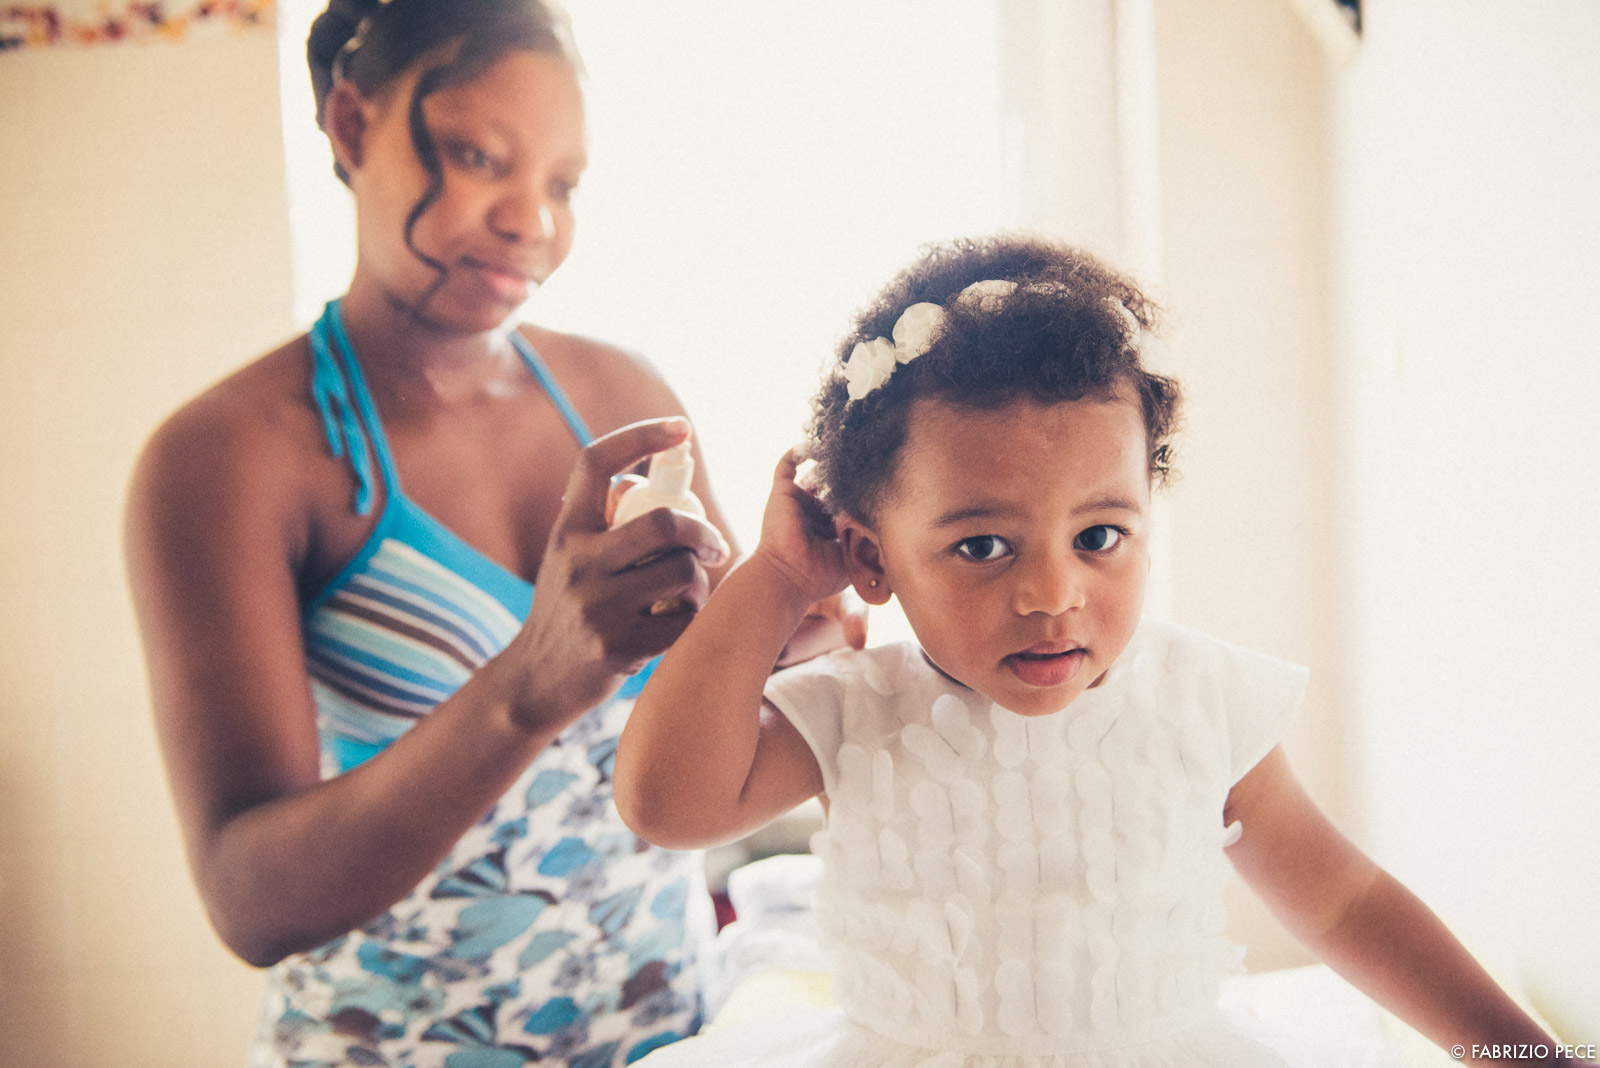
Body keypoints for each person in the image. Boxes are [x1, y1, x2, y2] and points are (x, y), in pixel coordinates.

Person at [613, 236, 1592, 1067]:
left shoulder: (1201, 701)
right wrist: (779, 577)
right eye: (982, 547)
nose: (1050, 595)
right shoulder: (857, 709)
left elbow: (1341, 904)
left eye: (1099, 536)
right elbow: (666, 804)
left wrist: (1527, 1055)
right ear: (869, 553)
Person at [123, 2, 856, 1065]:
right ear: (347, 122)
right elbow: (250, 903)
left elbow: (724, 701)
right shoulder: (229, 460)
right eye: (478, 157)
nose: (532, 222)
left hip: (667, 1038)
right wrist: (529, 685)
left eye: (563, 184)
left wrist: (806, 625)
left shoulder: (617, 391)